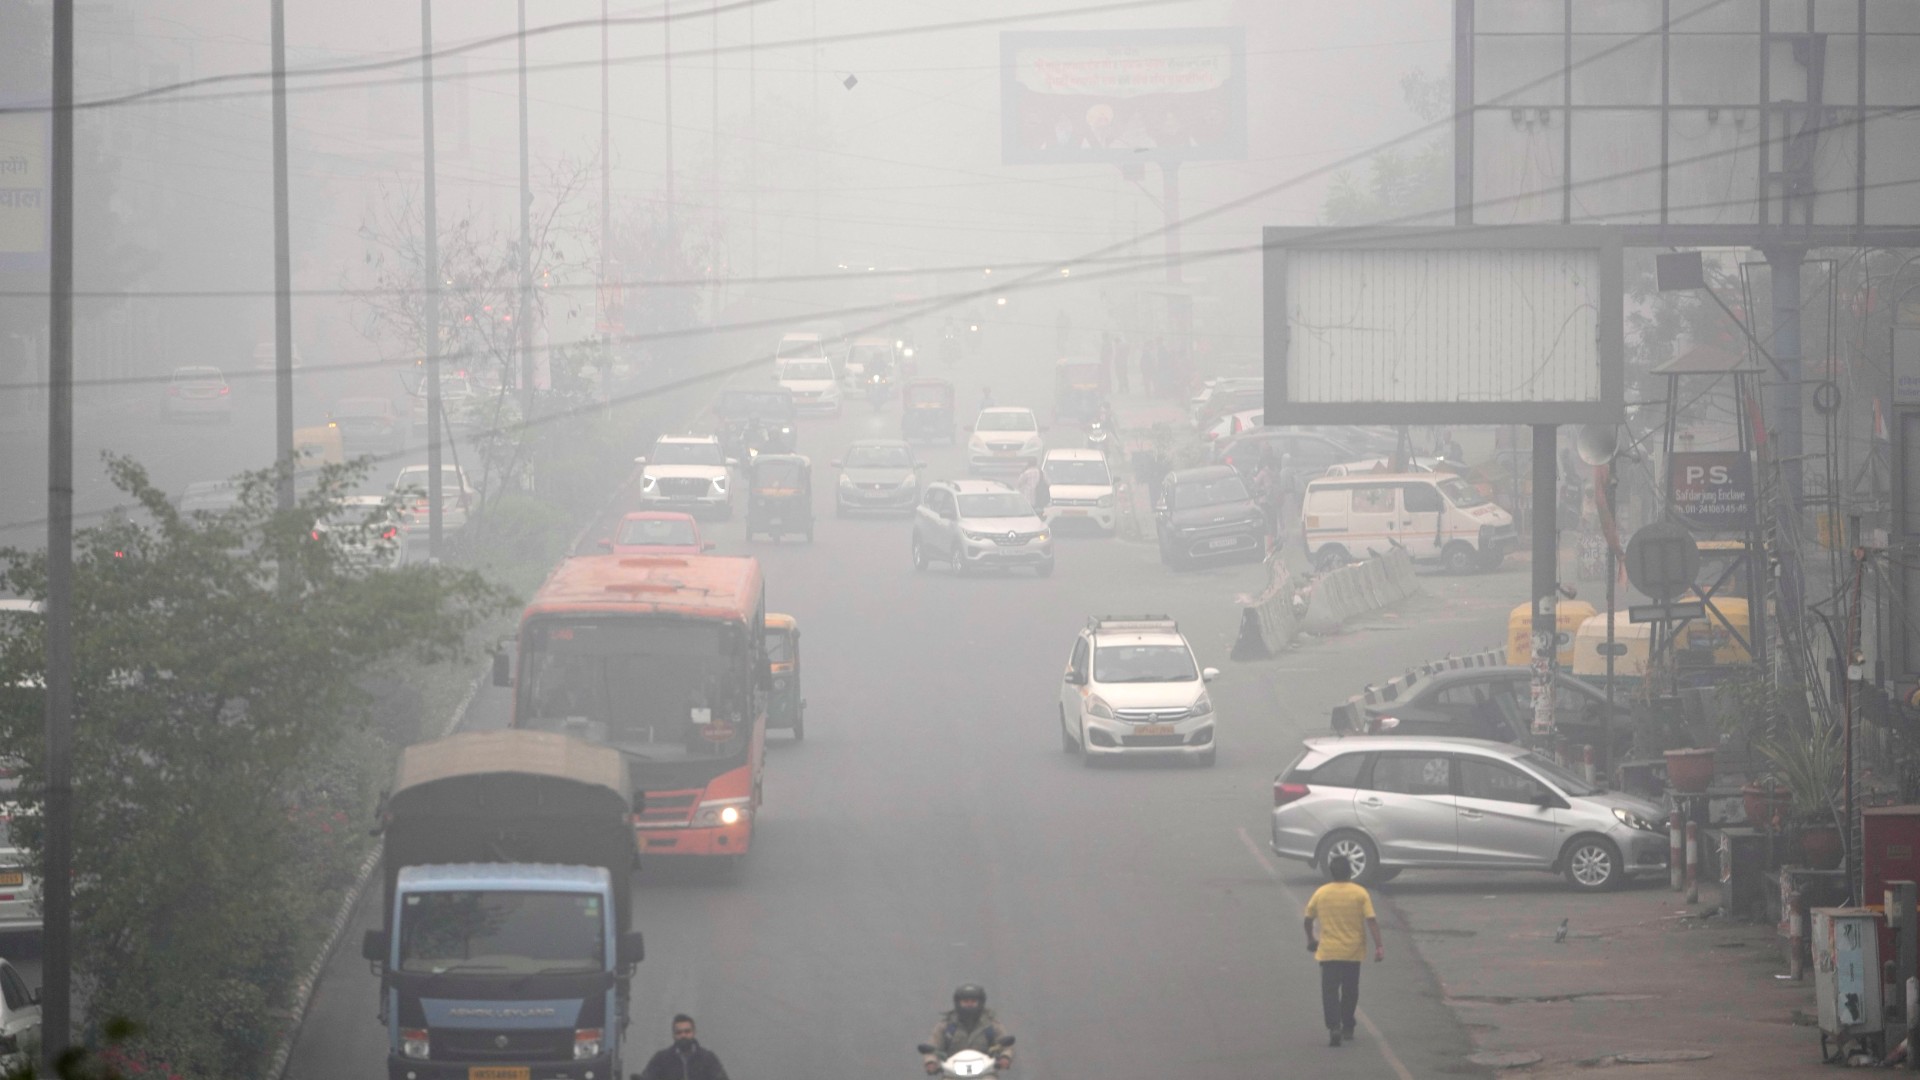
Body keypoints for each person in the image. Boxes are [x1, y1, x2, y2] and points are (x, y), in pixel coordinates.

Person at [1303, 855, 1384, 1047]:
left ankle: (1334, 1027)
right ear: (1350, 871)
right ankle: (1348, 1025)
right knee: (1350, 990)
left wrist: (1311, 939)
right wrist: (1379, 946)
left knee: (1329, 991)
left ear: (1331, 872)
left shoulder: (1321, 893)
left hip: (1329, 952)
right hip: (1353, 952)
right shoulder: (1360, 893)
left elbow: (1308, 919)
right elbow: (1371, 920)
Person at [923, 985, 1013, 1075]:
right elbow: (933, 1047)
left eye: (973, 1002)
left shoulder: (991, 1026)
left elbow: (1005, 1046)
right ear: (958, 1003)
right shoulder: (945, 1026)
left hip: (985, 1074)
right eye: (965, 1002)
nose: (969, 1005)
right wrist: (931, 1062)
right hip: (952, 1075)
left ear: (980, 1003)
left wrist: (1005, 1057)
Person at [637, 1014, 730, 1080]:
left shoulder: (708, 1058)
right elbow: (648, 1077)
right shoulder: (661, 1059)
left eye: (687, 1031)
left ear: (694, 1032)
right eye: (679, 1032)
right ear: (673, 1035)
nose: (683, 1035)